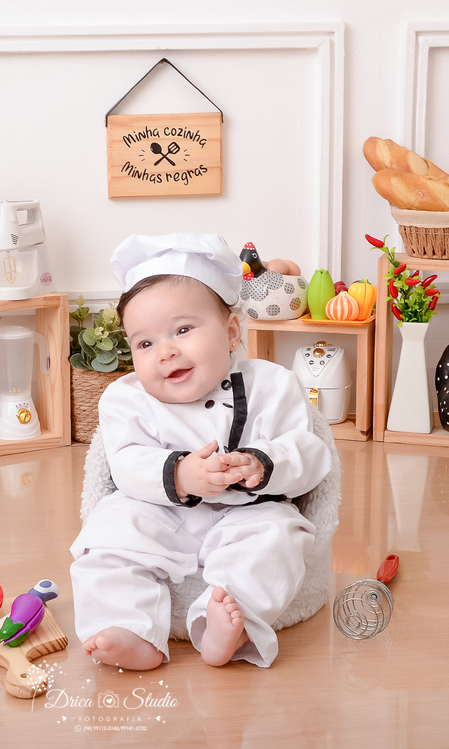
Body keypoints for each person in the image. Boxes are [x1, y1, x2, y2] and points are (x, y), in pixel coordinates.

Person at [69, 233, 333, 670]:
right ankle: (128, 627)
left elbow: (308, 451)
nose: (165, 351)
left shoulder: (273, 384)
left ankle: (226, 625)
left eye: (183, 330)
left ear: (231, 333)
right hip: (160, 514)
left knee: (280, 537)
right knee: (106, 535)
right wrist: (178, 474)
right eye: (145, 343)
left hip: (249, 513)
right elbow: (125, 462)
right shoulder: (125, 398)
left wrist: (262, 463)